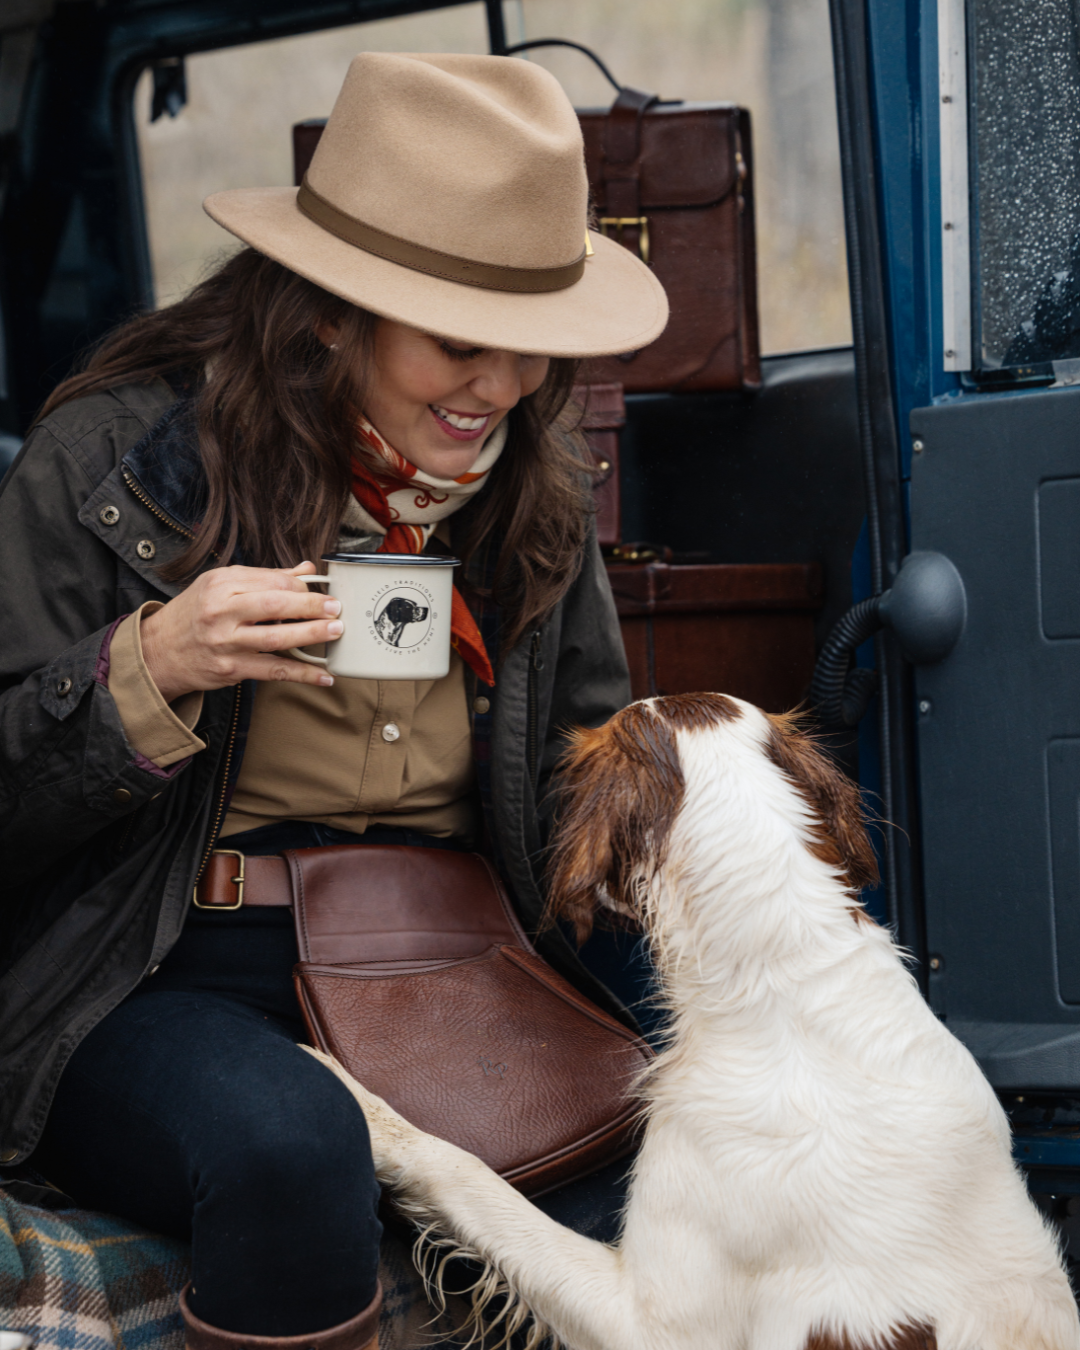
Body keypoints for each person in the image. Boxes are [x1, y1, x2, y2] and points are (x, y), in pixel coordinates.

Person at [0, 52, 667, 1350]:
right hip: (144, 975)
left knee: (714, 1126)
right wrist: (147, 669)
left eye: (532, 350)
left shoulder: (533, 485)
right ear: (327, 311)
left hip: (461, 964)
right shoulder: (110, 463)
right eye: (461, 344)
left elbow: (581, 785)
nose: (501, 389)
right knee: (293, 1147)